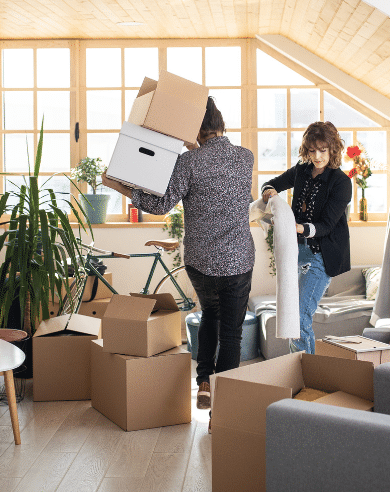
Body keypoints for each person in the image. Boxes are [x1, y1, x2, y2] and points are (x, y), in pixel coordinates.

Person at [101, 97, 255, 411]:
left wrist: (118, 186)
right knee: (232, 332)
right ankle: (223, 405)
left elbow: (160, 205)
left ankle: (203, 383)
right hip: (238, 260)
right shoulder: (245, 158)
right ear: (221, 124)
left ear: (194, 132)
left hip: (201, 261)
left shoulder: (188, 162)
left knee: (209, 316)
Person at [261, 121, 352, 354]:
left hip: (322, 255)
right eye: (312, 150)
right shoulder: (301, 170)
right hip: (297, 252)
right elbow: (272, 183)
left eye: (323, 150)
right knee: (293, 317)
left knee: (300, 316)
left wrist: (298, 227)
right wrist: (269, 191)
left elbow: (327, 225)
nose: (318, 156)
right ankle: (298, 368)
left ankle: (306, 375)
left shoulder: (341, 182)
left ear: (333, 149)